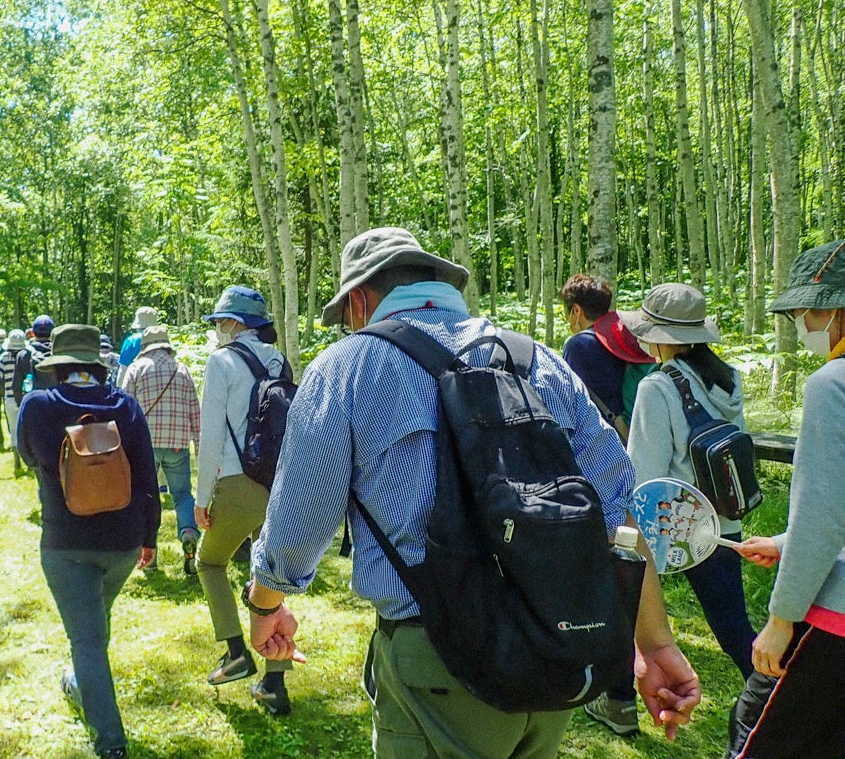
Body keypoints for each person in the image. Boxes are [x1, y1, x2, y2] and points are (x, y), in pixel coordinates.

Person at [245, 227, 700, 757]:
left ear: (361, 300)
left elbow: (301, 521)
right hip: (551, 647)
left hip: (437, 659)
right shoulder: (539, 362)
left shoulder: (348, 368)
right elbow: (616, 511)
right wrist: (656, 643)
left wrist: (265, 604)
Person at [17, 324, 159, 759]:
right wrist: (149, 537)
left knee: (88, 639)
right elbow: (148, 479)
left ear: (58, 368)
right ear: (98, 367)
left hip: (66, 544)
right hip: (123, 544)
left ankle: (111, 743)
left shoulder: (37, 407)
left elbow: (27, 457)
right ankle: (81, 682)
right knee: (94, 622)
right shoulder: (127, 407)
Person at [728, 238, 845, 759]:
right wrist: (783, 540)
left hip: (833, 617)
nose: (803, 323)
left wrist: (780, 620)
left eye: (807, 311)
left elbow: (823, 516)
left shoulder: (832, 384)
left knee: (757, 730)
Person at [619, 283, 758, 685]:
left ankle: (620, 698)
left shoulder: (657, 386)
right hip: (722, 521)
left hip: (673, 527)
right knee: (734, 626)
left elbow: (643, 476)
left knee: (627, 611)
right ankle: (773, 691)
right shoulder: (725, 378)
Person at [559, 273, 657, 735]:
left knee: (604, 585)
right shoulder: (631, 339)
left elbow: (566, 412)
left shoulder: (579, 345)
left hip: (596, 474)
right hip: (641, 465)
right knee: (628, 578)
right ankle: (621, 691)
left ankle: (616, 695)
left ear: (577, 310)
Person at [194, 286, 294, 715]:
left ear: (234, 324)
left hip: (237, 483)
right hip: (278, 483)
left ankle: (236, 651)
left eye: (219, 322)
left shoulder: (221, 362)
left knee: (209, 563)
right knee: (268, 578)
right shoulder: (279, 360)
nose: (217, 331)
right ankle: (274, 684)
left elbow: (211, 435)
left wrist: (202, 498)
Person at [122, 325, 201, 575]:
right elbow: (195, 413)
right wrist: (199, 447)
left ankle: (150, 557)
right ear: (166, 345)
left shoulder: (136, 369)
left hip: (145, 445)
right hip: (178, 444)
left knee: (146, 498)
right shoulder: (182, 369)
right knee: (182, 495)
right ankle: (188, 532)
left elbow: (125, 408)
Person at [561, 274, 657, 443]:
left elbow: (569, 404)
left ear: (576, 310)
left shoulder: (578, 345)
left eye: (566, 313)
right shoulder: (626, 335)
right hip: (643, 432)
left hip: (604, 444)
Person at [0, 329, 28, 474]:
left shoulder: (4, 357)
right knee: (27, 430)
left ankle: (17, 462)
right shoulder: (28, 356)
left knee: (13, 430)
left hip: (10, 398)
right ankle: (29, 461)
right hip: (26, 398)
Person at [14, 315, 56, 404]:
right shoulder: (59, 352)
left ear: (32, 333)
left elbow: (16, 385)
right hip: (56, 402)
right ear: (53, 332)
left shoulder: (23, 354)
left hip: (33, 403)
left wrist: (21, 405)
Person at [116, 306, 158, 385]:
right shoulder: (162, 339)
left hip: (136, 386)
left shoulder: (131, 341)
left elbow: (123, 369)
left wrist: (119, 390)